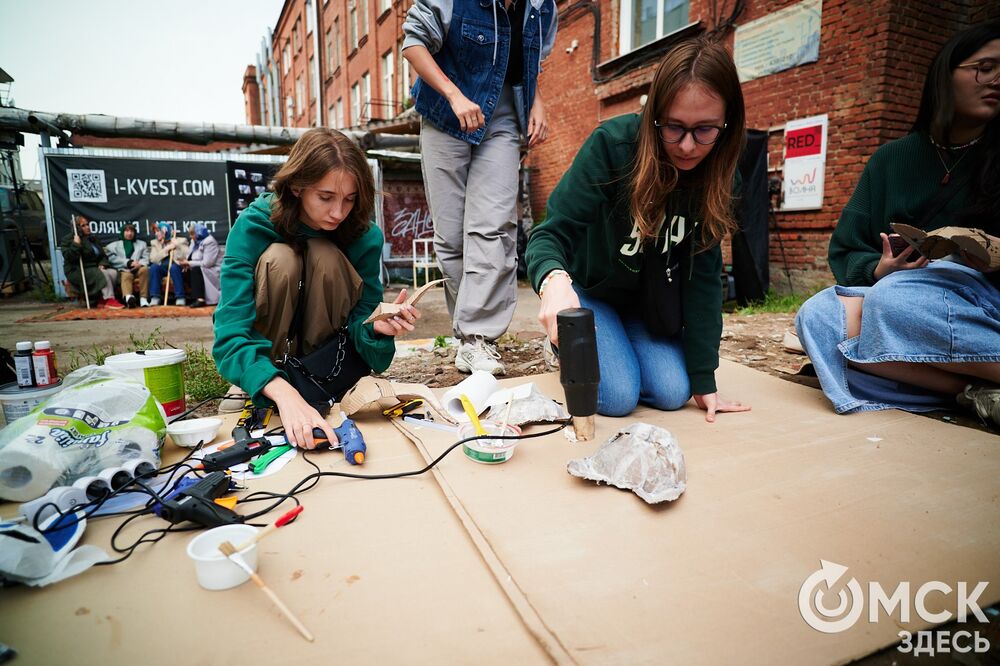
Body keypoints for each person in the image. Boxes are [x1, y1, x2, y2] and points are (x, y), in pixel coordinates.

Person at [525, 37, 751, 422]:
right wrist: (554, 282)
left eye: (705, 130)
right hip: (590, 293)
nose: (687, 146)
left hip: (645, 308)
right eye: (674, 127)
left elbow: (705, 282)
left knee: (673, 391)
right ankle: (562, 347)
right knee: (616, 398)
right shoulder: (613, 146)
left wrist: (703, 377)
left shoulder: (722, 179)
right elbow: (549, 233)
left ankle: (618, 350)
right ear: (654, 115)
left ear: (727, 125)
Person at [795, 21, 1000, 426]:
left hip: (982, 305)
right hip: (906, 299)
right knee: (816, 317)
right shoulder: (890, 160)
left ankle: (930, 376)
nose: (997, 80)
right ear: (945, 75)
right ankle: (970, 393)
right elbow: (846, 247)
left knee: (890, 306)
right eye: (985, 67)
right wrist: (877, 268)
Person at [213, 128, 421, 449]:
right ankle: (257, 379)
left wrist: (375, 329)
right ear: (297, 187)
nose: (339, 212)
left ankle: (316, 381)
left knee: (325, 254)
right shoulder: (254, 226)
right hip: (268, 355)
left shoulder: (363, 236)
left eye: (350, 199)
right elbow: (230, 330)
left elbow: (363, 323)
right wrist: (284, 393)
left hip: (327, 363)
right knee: (280, 258)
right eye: (326, 197)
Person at [402, 0, 558, 375]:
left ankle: (478, 338)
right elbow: (413, 44)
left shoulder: (541, 6)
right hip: (444, 114)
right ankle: (465, 334)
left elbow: (530, 61)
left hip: (502, 119)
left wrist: (537, 100)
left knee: (492, 225)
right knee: (452, 235)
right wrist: (454, 95)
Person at [60, 215, 125, 309]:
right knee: (102, 274)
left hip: (94, 267)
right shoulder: (68, 239)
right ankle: (109, 299)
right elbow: (70, 258)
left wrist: (102, 264)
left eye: (87, 224)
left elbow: (102, 255)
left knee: (113, 273)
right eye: (83, 226)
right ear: (77, 228)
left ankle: (101, 300)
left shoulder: (92, 238)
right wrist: (75, 244)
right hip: (77, 269)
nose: (87, 227)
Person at [104, 222, 150, 308]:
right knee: (126, 275)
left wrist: (139, 264)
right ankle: (129, 298)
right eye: (127, 231)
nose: (129, 233)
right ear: (122, 232)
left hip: (138, 269)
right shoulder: (113, 246)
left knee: (145, 269)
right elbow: (112, 259)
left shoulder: (142, 244)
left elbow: (146, 258)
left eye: (132, 231)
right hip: (124, 269)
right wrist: (128, 263)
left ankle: (143, 298)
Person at [177, 223, 221, 307]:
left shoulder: (209, 241)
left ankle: (200, 299)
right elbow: (189, 256)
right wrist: (186, 263)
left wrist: (189, 263)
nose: (191, 236)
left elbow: (207, 263)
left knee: (195, 269)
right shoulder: (194, 241)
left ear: (199, 233)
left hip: (211, 270)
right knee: (179, 269)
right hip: (198, 266)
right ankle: (182, 297)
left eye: (192, 234)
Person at [148, 222, 189, 306]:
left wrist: (177, 246)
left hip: (177, 267)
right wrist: (166, 249)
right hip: (163, 268)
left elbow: (186, 256)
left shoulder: (181, 240)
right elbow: (153, 259)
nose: (156, 234)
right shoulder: (154, 243)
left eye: (158, 231)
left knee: (174, 268)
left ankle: (180, 297)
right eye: (155, 232)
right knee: (154, 267)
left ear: (165, 231)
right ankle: (155, 297)